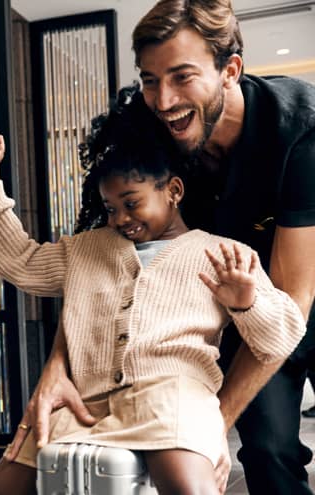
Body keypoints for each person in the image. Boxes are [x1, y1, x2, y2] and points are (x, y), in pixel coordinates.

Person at [0, 89, 306, 495]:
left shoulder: (224, 254)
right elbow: (20, 262)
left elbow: (282, 335)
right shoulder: (85, 249)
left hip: (172, 397)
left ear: (174, 191)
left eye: (132, 203)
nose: (121, 218)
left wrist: (248, 303)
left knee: (190, 488)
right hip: (84, 404)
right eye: (111, 208)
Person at [132, 1, 315, 492]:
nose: (163, 99)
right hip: (248, 301)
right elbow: (105, 255)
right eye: (150, 79)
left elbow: (294, 298)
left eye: (182, 76)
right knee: (267, 449)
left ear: (230, 69)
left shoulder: (302, 128)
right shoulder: (150, 131)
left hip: (297, 287)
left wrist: (216, 419)